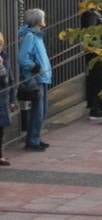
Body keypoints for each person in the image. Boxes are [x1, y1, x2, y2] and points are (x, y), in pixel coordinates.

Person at [16, 9, 51, 152]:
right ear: (37, 20)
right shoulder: (30, 36)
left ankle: (35, 137)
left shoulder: (37, 36)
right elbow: (22, 58)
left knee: (42, 111)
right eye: (42, 17)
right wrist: (35, 68)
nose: (44, 19)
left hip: (42, 77)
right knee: (38, 111)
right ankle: (32, 140)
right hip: (36, 78)